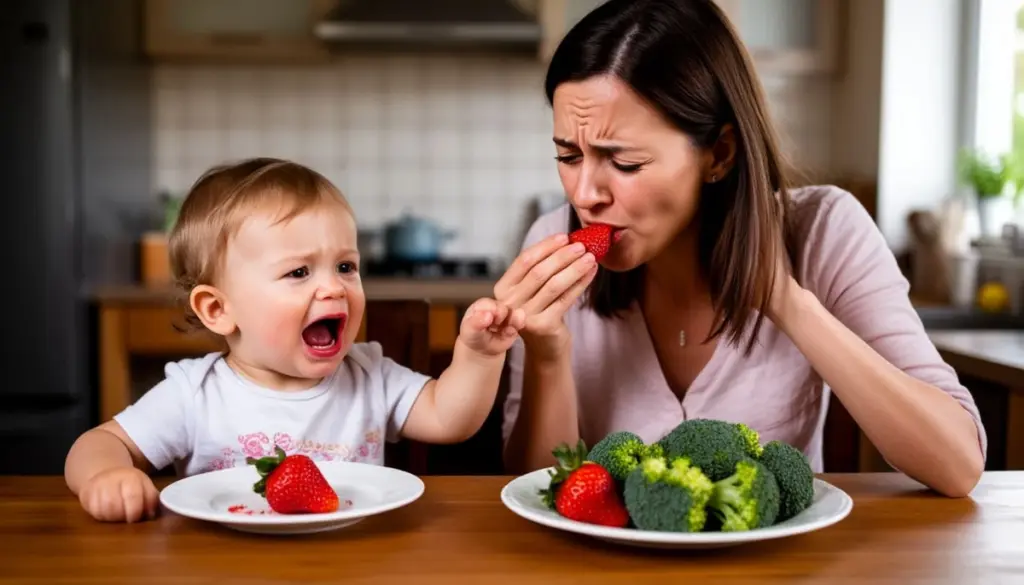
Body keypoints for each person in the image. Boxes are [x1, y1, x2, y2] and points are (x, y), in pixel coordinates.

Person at [497, 0, 986, 497]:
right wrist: (548, 354)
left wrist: (785, 300)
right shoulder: (548, 242)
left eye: (624, 162)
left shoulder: (825, 230)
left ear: (720, 154)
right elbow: (536, 492)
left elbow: (957, 464)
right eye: (568, 155)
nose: (584, 195)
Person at [65, 158, 525, 522]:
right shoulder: (195, 393)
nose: (334, 288)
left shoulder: (369, 374)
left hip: (355, 561)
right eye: (299, 272)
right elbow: (98, 445)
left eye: (346, 266)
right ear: (219, 310)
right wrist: (106, 475)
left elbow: (450, 418)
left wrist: (480, 355)